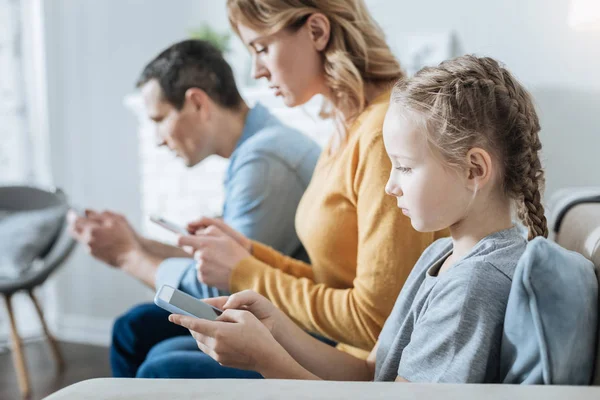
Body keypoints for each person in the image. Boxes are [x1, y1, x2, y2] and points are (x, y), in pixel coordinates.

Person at [171, 55, 549, 383]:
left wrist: (264, 361)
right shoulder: (441, 256)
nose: (390, 187)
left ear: (474, 169)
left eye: (404, 167)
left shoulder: (474, 286)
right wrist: (278, 331)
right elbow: (372, 373)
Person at [136, 0, 447, 379]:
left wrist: (245, 273)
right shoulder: (345, 129)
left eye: (262, 48)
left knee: (161, 368)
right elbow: (335, 278)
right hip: (343, 349)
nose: (257, 70)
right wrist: (250, 253)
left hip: (361, 363)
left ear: (317, 32)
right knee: (153, 348)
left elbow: (376, 321)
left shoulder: (382, 134)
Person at [67, 39, 321, 377]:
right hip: (275, 309)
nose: (158, 138)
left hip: (306, 330)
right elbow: (217, 264)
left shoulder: (264, 160)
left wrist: (126, 256)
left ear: (197, 103)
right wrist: (135, 241)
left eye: (159, 119)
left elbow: (221, 287)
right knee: (133, 328)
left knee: (159, 363)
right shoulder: (255, 149)